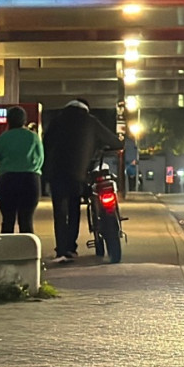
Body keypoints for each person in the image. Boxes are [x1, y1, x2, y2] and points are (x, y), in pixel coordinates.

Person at [40, 100, 121, 263]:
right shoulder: (90, 121)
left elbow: (45, 144)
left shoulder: (56, 122)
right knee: (74, 206)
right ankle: (71, 247)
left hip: (56, 174)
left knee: (60, 212)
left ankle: (62, 249)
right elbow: (116, 142)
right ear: (85, 109)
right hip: (78, 174)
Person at [0, 107, 42, 234]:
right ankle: (27, 250)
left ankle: (5, 251)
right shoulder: (33, 137)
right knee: (26, 219)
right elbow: (40, 158)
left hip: (7, 180)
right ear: (24, 120)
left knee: (8, 220)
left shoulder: (3, 137)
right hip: (30, 180)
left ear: (8, 120)